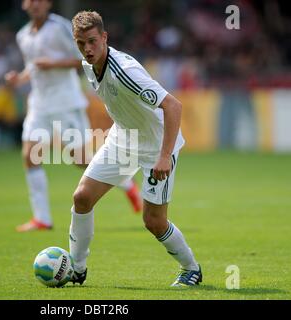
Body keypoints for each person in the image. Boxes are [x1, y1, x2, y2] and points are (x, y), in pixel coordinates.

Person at [68, 10, 202, 287]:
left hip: (156, 146)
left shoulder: (125, 72)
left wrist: (165, 156)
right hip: (122, 140)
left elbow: (173, 106)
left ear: (104, 37)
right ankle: (76, 268)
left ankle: (192, 268)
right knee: (82, 197)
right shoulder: (87, 65)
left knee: (154, 221)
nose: (87, 49)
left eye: (92, 41)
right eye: (81, 43)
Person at [5, 0, 142, 232]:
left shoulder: (60, 27)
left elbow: (82, 59)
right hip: (39, 104)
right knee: (30, 156)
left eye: (40, 0)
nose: (35, 4)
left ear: (48, 4)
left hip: (66, 102)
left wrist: (53, 64)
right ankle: (42, 219)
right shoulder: (23, 36)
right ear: (24, 5)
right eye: (31, 1)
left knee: (80, 160)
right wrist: (19, 79)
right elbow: (33, 67)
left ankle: (126, 182)